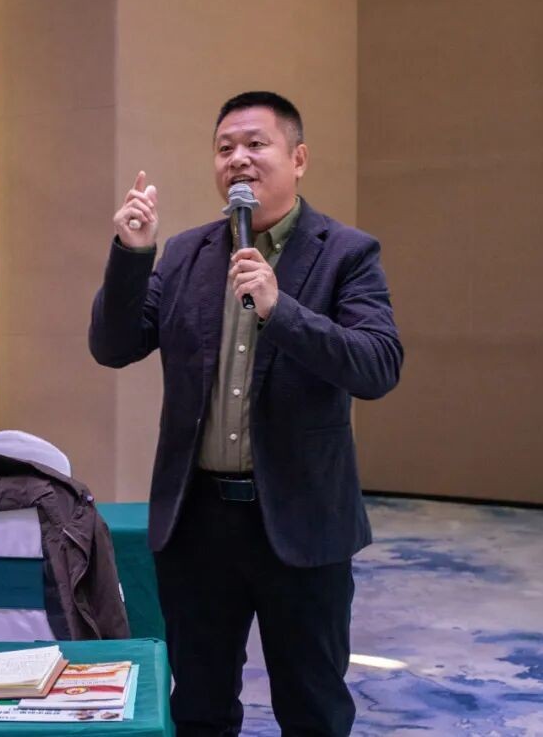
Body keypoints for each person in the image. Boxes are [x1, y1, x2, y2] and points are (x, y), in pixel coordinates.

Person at [90, 91, 403, 736]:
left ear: (299, 159)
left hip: (301, 520)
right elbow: (113, 346)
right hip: (199, 522)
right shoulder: (184, 255)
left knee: (312, 708)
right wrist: (132, 253)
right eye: (225, 148)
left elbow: (377, 365)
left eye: (256, 144)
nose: (238, 159)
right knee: (199, 707)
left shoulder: (346, 253)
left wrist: (280, 308)